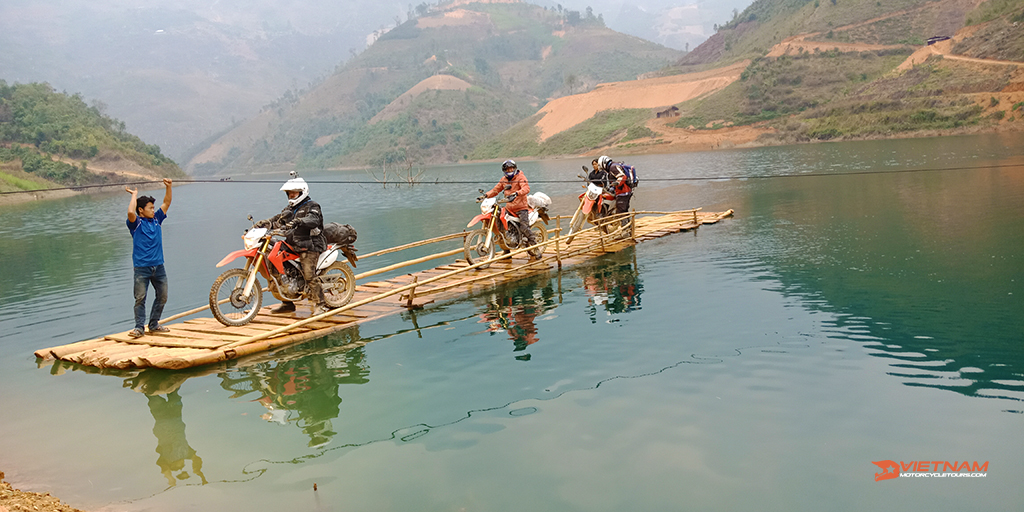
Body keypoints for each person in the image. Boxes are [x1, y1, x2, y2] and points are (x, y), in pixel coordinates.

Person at [255, 176, 328, 314]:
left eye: (294, 193)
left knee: (309, 275)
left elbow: (314, 219)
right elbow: (278, 220)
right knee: (279, 269)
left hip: (309, 245)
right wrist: (264, 224)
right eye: (289, 193)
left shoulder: (313, 206)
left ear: (302, 192)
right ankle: (288, 304)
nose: (291, 195)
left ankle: (321, 304)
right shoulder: (290, 209)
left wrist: (299, 221)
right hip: (292, 244)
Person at [125, 179, 173, 338]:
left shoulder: (157, 219)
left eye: (153, 208)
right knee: (140, 298)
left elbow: (167, 202)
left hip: (159, 267)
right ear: (141, 210)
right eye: (150, 208)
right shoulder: (136, 223)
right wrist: (134, 195)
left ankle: (153, 324)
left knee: (163, 296)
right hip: (142, 268)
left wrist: (169, 186)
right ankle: (139, 328)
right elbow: (131, 213)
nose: (153, 210)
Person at [481, 159, 538, 258]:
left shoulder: (520, 177)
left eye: (511, 168)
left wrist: (517, 193)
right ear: (504, 170)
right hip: (509, 208)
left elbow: (526, 188)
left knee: (524, 227)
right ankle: (506, 250)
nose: (510, 170)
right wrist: (485, 195)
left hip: (521, 208)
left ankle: (536, 248)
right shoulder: (504, 179)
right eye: (507, 169)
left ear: (515, 168)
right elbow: (496, 190)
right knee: (501, 226)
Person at [598, 155, 633, 226]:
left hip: (623, 192)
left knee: (621, 212)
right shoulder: (614, 167)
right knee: (624, 211)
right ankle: (628, 227)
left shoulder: (613, 167)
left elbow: (622, 176)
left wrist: (616, 184)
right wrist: (612, 188)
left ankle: (625, 230)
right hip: (624, 192)